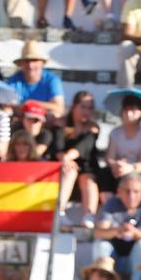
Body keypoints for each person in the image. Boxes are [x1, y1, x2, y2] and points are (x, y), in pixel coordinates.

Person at [93, 171, 141, 280]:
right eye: (127, 191)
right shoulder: (111, 204)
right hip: (113, 258)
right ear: (119, 191)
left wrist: (133, 232)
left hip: (135, 261)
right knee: (101, 245)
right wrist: (117, 231)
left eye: (136, 191)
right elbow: (99, 232)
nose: (131, 196)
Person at [57, 91, 100, 227]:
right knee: (70, 171)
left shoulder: (92, 128)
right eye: (83, 107)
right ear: (74, 106)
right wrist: (65, 159)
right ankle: (59, 211)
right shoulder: (61, 124)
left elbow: (84, 146)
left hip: (86, 167)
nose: (86, 111)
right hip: (65, 167)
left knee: (88, 179)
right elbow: (57, 147)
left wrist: (68, 157)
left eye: (90, 108)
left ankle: (89, 216)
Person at [101, 92, 141, 197]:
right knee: (104, 176)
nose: (129, 114)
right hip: (118, 169)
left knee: (134, 180)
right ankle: (109, 205)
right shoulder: (115, 132)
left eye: (133, 110)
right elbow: (110, 157)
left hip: (138, 170)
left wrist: (129, 168)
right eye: (126, 110)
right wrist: (116, 165)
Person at [6, 40, 65, 120]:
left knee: (55, 115)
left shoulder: (52, 80)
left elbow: (59, 108)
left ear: (42, 63)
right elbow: (8, 105)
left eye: (34, 60)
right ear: (21, 64)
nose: (30, 65)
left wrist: (31, 104)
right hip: (21, 120)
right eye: (27, 61)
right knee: (7, 112)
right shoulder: (14, 80)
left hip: (44, 121)